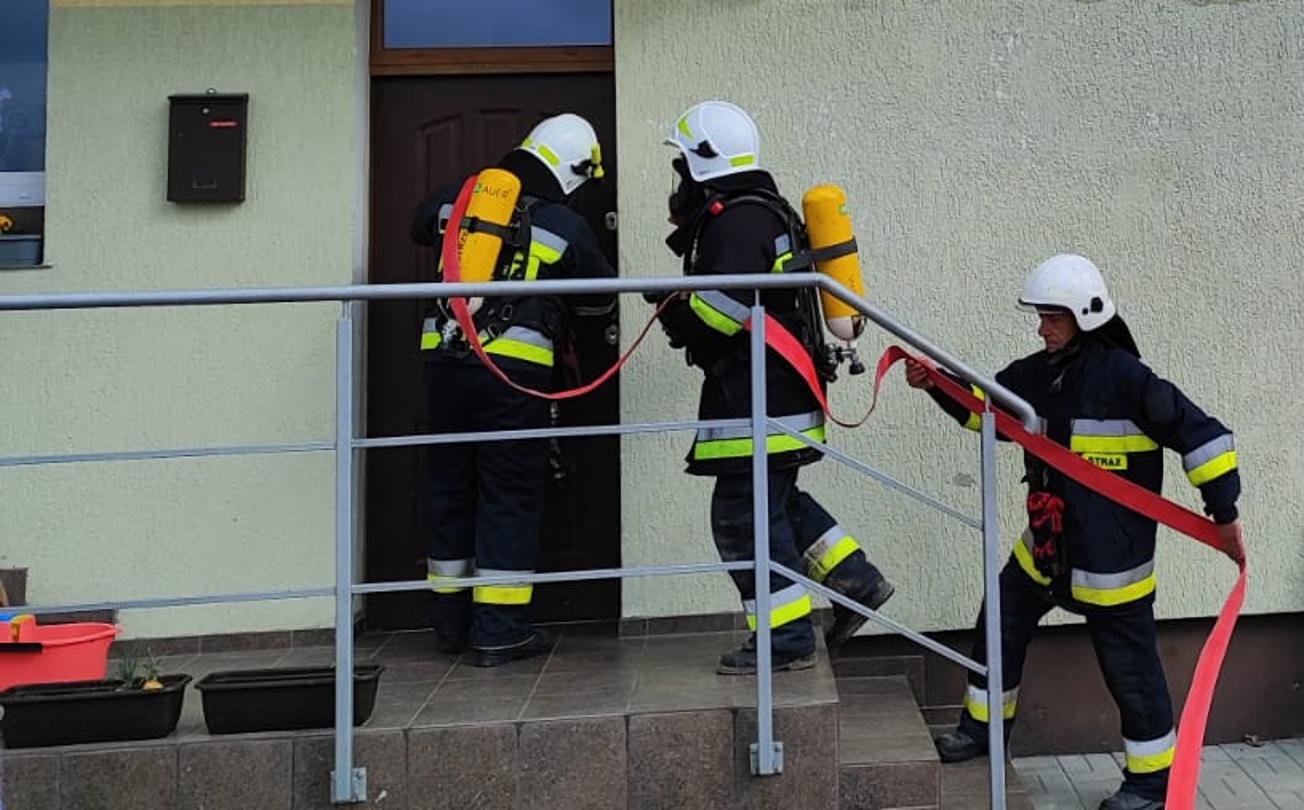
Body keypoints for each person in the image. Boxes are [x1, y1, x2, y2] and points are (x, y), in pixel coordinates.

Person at [905, 253, 1244, 810]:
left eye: (1052, 317)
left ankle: (1152, 783)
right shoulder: (1040, 373)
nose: (1042, 328)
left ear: (1085, 316)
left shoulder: (1128, 379)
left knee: (1129, 673)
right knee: (1001, 617)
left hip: (1112, 562)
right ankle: (982, 729)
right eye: (1040, 317)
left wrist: (1224, 514)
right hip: (1047, 547)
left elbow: (1205, 438)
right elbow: (987, 411)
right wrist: (935, 386)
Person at [654, 99, 895, 674]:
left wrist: (672, 314)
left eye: (682, 162)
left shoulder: (735, 219)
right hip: (781, 390)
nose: (678, 177)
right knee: (778, 502)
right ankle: (856, 581)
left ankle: (785, 639)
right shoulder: (763, 210)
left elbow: (717, 314)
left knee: (741, 518)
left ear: (702, 162)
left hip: (754, 396)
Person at [410, 113, 616, 667]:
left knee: (449, 486)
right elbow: (599, 300)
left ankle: (449, 623)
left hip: (443, 367)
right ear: (574, 172)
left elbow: (417, 224)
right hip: (513, 379)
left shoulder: (456, 198)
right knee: (509, 494)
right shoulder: (565, 225)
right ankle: (499, 631)